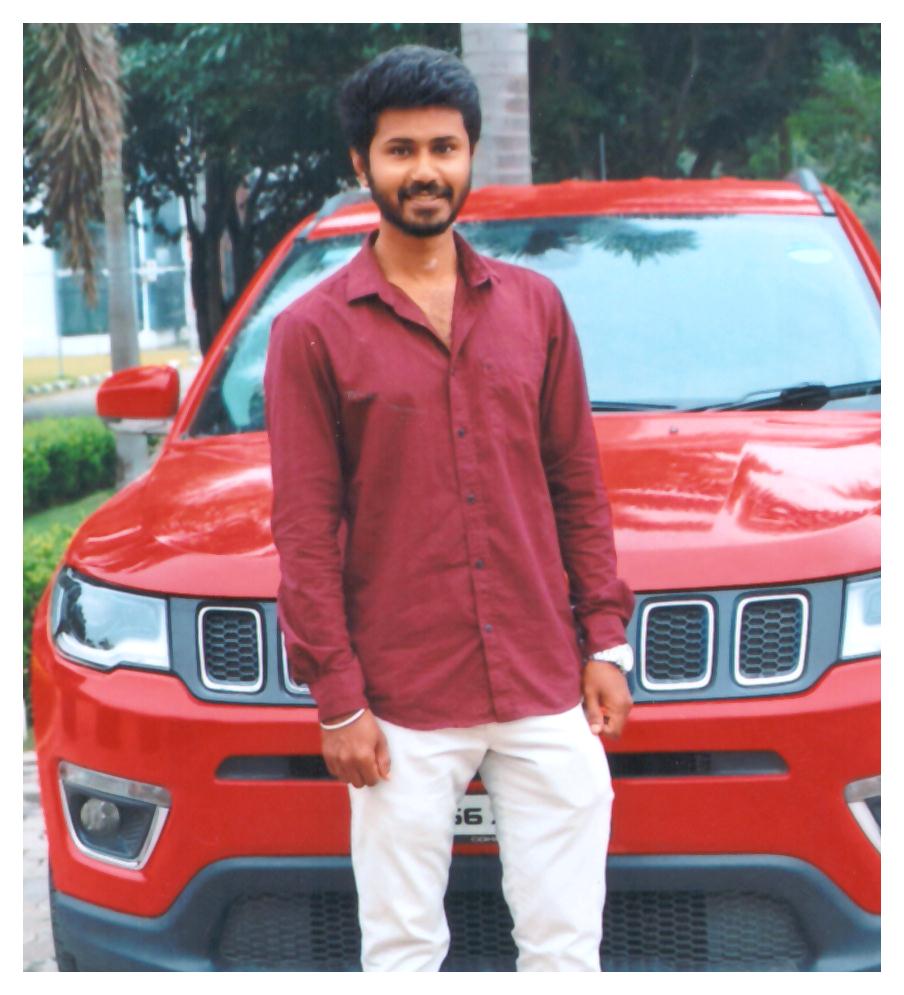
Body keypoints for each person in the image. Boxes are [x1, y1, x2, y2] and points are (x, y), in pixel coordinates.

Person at [264, 44, 635, 973]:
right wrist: (338, 700)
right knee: (401, 951)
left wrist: (605, 640)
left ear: (470, 155)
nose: (424, 170)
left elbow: (576, 481)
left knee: (567, 944)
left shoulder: (536, 308)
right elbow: (304, 527)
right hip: (401, 698)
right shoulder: (311, 333)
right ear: (362, 163)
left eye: (443, 147)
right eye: (401, 150)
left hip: (542, 679)